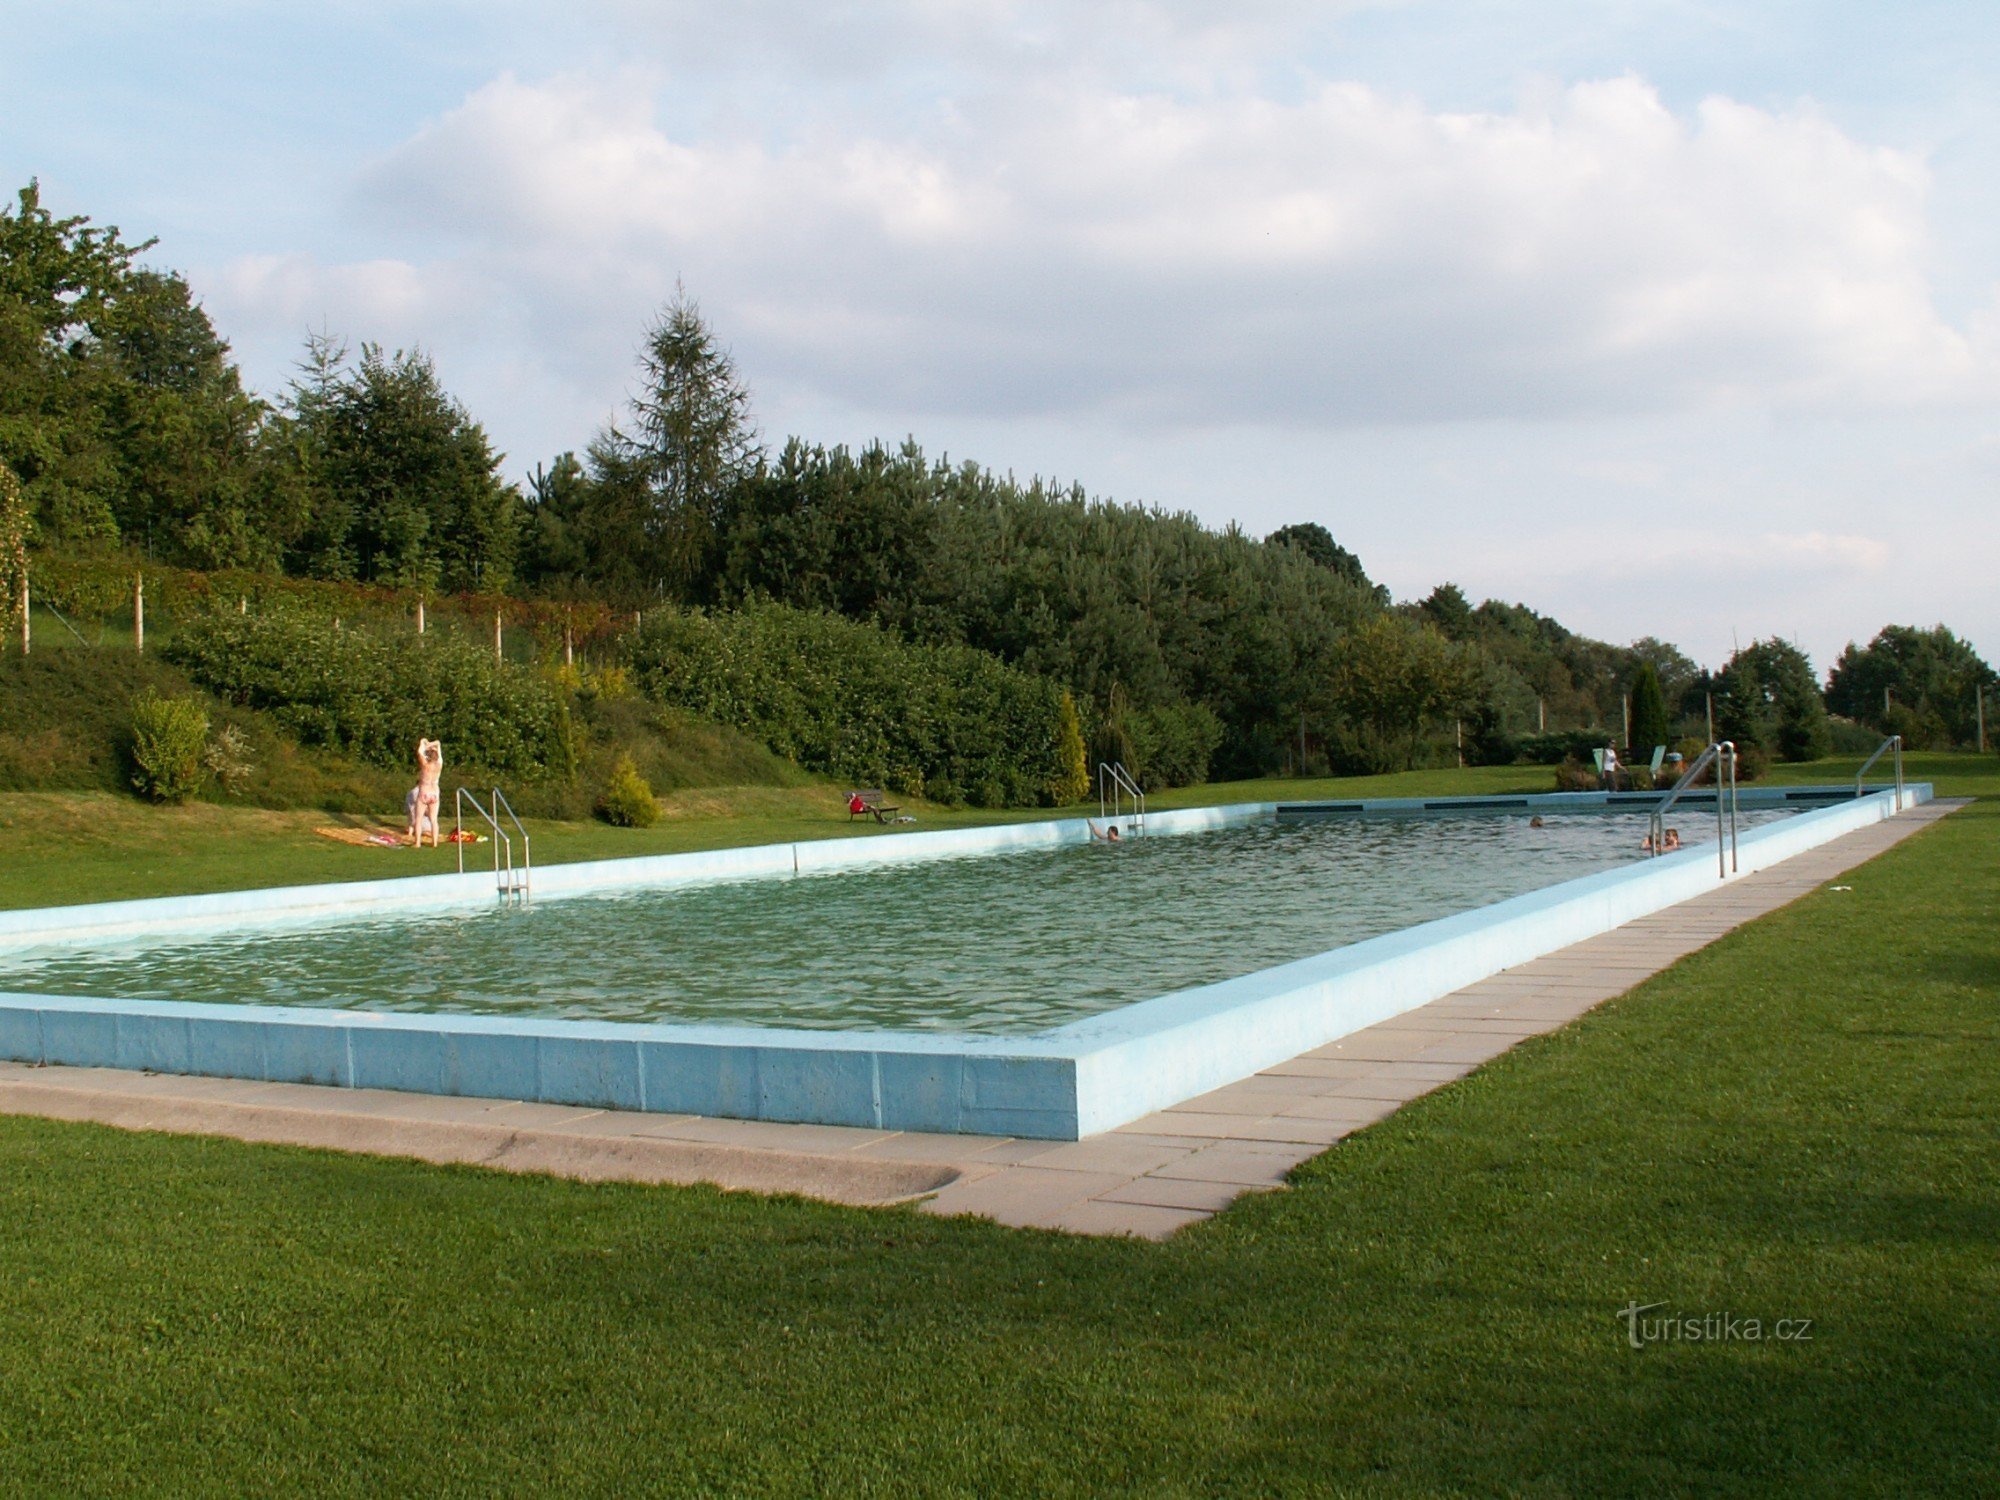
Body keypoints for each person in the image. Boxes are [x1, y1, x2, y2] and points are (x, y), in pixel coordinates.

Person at [407, 738, 444, 847]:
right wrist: (431, 744)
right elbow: (438, 743)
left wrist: (424, 742)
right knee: (434, 820)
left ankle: (417, 842)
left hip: (424, 792)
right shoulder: (439, 765)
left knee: (418, 819)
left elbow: (419, 751)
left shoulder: (424, 765)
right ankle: (435, 842)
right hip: (435, 793)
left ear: (427, 756)